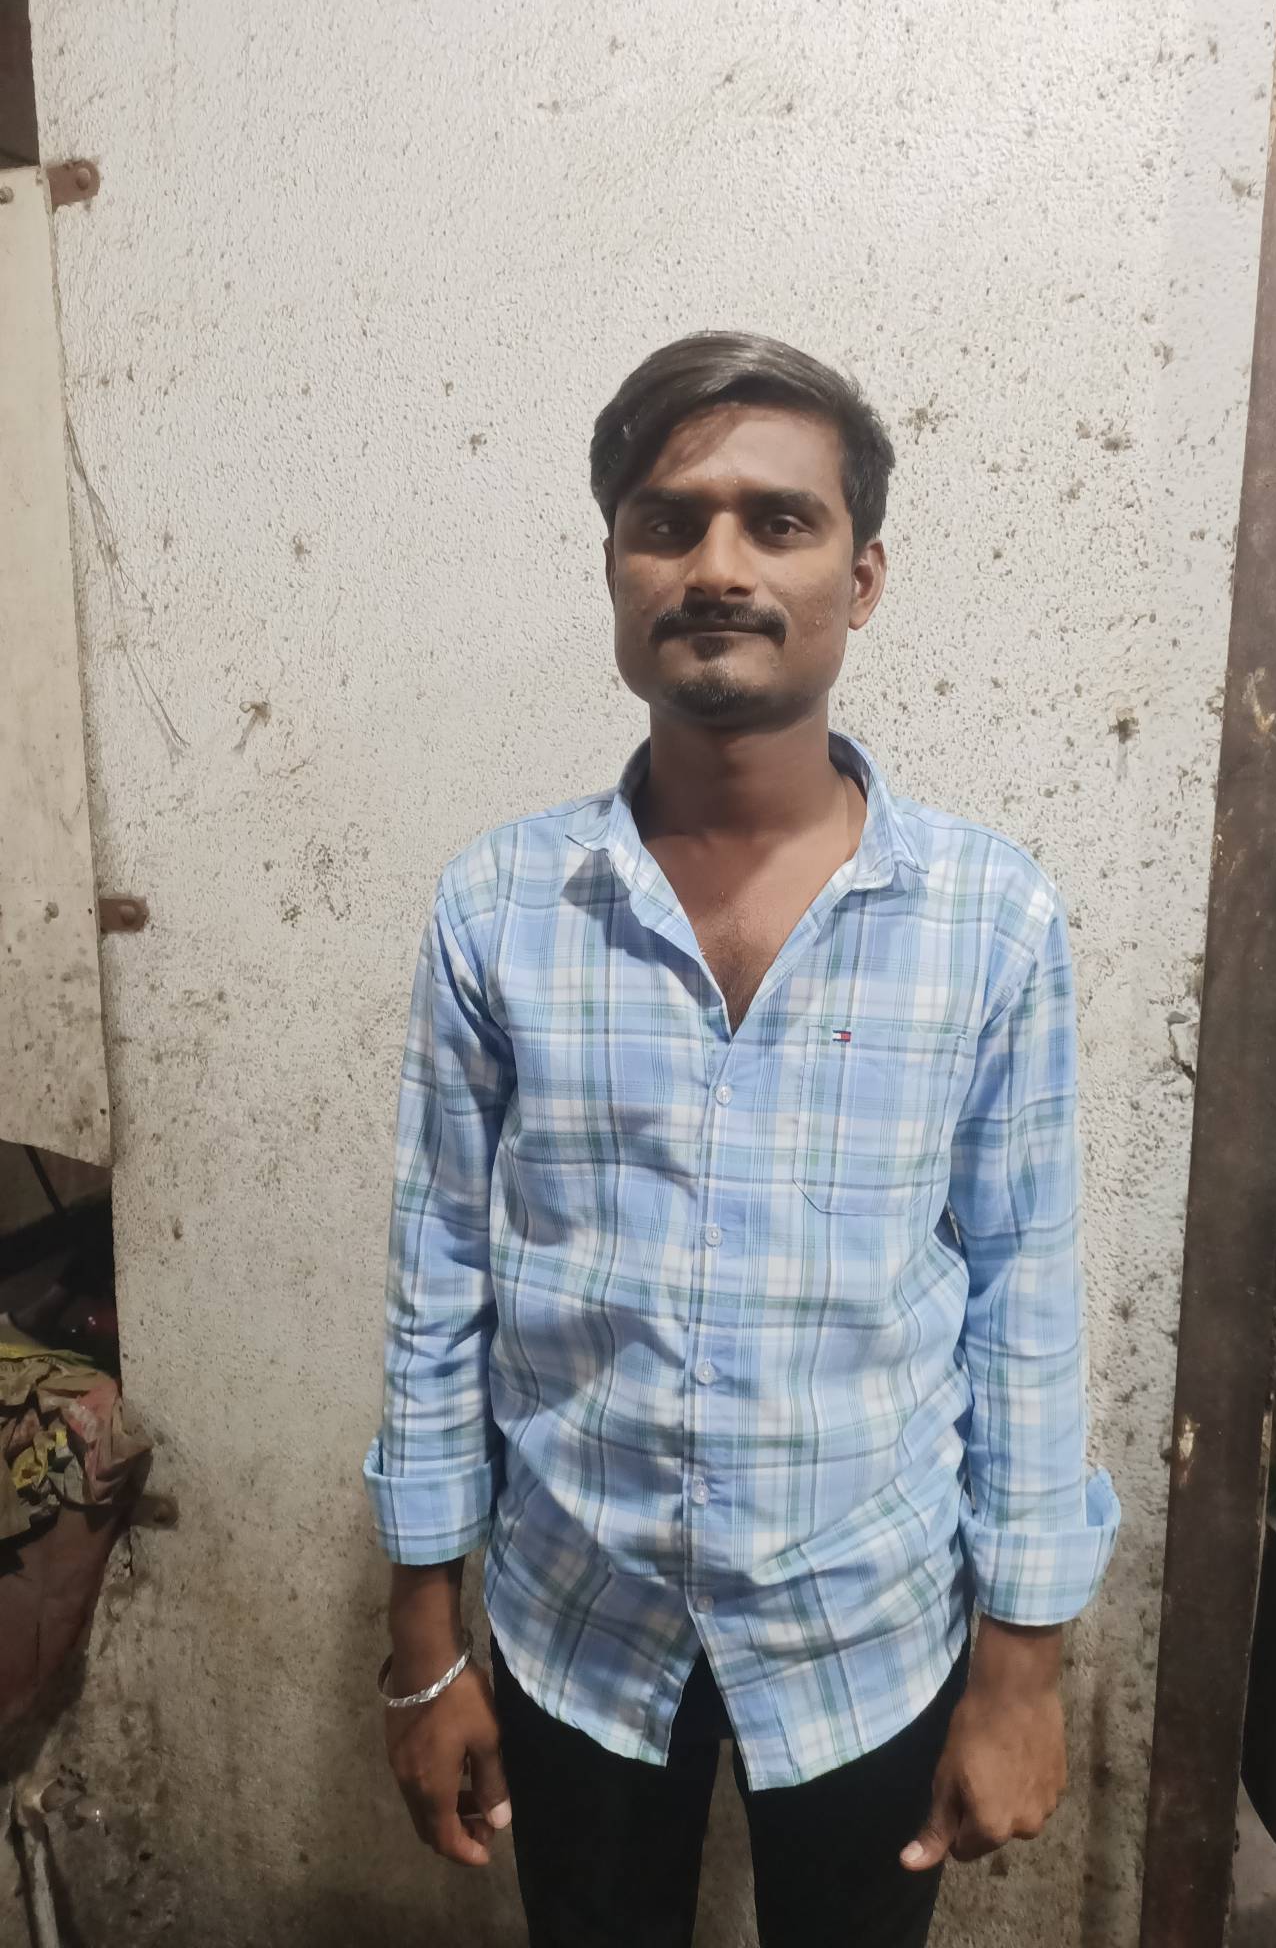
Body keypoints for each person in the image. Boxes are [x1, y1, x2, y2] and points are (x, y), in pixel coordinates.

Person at [363, 331, 1119, 1948]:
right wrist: (426, 1648)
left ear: (864, 577)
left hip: (870, 1628)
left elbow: (1026, 1305)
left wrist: (1022, 1671)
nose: (718, 566)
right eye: (668, 522)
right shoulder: (499, 908)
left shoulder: (990, 918)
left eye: (779, 522)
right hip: (576, 1619)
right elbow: (438, 1288)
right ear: (616, 570)